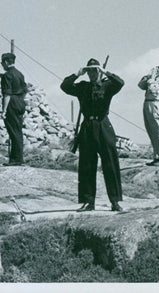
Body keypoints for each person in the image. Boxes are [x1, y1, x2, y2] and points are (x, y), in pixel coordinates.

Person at [61, 58, 125, 212]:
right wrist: (77, 73)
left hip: (103, 125)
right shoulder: (82, 87)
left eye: (94, 70)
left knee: (110, 163)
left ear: (98, 71)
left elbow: (120, 83)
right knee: (87, 165)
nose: (91, 73)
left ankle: (115, 201)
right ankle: (88, 202)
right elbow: (65, 86)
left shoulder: (107, 85)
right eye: (89, 70)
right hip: (87, 127)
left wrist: (106, 73)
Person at [138, 61, 159, 166]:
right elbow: (141, 85)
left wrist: (151, 79)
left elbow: (153, 89)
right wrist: (147, 77)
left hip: (156, 104)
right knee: (151, 131)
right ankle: (156, 156)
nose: (157, 68)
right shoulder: (152, 79)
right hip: (147, 103)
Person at [0, 52, 28, 166]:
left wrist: (4, 110)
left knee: (13, 131)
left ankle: (16, 159)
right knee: (18, 130)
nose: (2, 64)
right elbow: (25, 90)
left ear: (6, 62)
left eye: (2, 62)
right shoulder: (20, 74)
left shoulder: (7, 75)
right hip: (20, 101)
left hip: (12, 102)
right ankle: (17, 158)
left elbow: (7, 94)